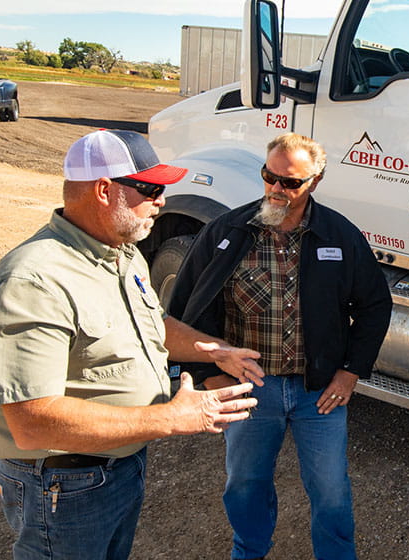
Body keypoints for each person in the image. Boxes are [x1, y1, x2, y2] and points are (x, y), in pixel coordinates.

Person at [0, 129, 260, 560]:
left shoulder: (121, 253)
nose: (162, 201)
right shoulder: (31, 280)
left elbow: (151, 324)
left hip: (117, 468)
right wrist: (171, 419)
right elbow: (31, 422)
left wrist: (212, 348)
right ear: (104, 190)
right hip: (63, 487)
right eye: (150, 188)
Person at [166, 132, 393, 560]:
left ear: (315, 182)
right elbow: (186, 308)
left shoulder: (338, 235)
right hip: (249, 389)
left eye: (290, 183)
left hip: (318, 393)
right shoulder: (226, 231)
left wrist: (350, 372)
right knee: (245, 485)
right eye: (270, 176)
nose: (276, 189)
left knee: (330, 491)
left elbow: (376, 305)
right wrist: (208, 373)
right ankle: (249, 552)